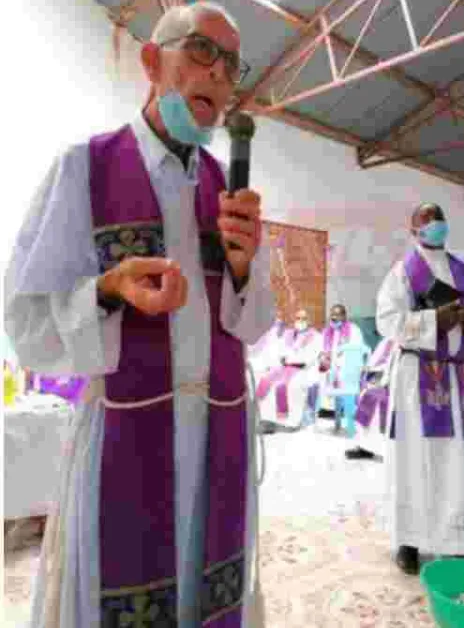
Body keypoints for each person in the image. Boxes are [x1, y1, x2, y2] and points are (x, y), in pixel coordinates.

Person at [3, 4, 273, 626]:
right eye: (203, 52)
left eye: (232, 66)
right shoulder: (85, 169)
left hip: (216, 441)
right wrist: (106, 289)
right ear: (152, 61)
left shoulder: (226, 191)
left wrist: (241, 267)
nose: (220, 76)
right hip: (126, 440)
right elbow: (26, 322)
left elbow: (255, 325)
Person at [375, 202, 464, 575]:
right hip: (419, 374)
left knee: (462, 463)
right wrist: (436, 319)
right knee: (415, 457)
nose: (434, 224)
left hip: (461, 378)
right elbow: (388, 322)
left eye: (439, 217)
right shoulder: (403, 272)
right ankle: (410, 540)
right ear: (412, 229)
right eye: (425, 220)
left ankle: (463, 542)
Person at [254, 308, 321, 429]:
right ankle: (266, 420)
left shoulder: (315, 336)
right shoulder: (288, 334)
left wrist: (291, 359)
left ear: (309, 320)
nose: (300, 321)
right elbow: (279, 350)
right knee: (265, 381)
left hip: (301, 370)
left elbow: (309, 356)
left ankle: (290, 423)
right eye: (298, 318)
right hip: (283, 367)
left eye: (303, 318)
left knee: (288, 386)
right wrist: (281, 359)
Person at [315, 303, 367, 430]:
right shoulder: (327, 331)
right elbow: (320, 349)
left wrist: (340, 363)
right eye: (332, 314)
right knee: (317, 377)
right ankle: (328, 416)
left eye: (337, 315)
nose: (333, 317)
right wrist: (322, 357)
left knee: (344, 381)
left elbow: (356, 351)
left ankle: (350, 420)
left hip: (347, 368)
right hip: (331, 368)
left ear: (344, 316)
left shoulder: (354, 330)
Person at [345, 336, 394, 460]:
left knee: (378, 418)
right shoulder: (386, 340)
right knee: (365, 414)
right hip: (374, 381)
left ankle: (380, 450)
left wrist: (383, 378)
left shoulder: (403, 341)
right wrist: (367, 369)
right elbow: (375, 360)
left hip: (388, 386)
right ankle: (363, 447)